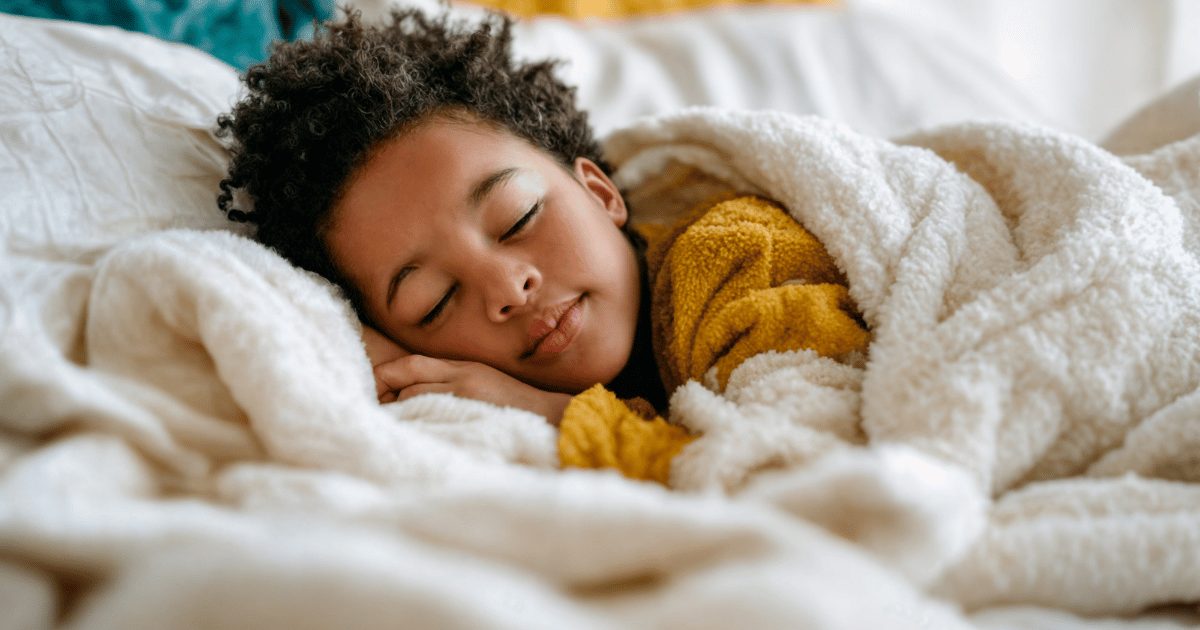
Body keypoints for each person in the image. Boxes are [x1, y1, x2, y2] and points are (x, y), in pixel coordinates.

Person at [217, 7, 870, 484]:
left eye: (517, 216)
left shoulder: (739, 255)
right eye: (434, 302)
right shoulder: (457, 416)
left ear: (600, 192)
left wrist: (545, 410)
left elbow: (809, 471)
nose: (508, 288)